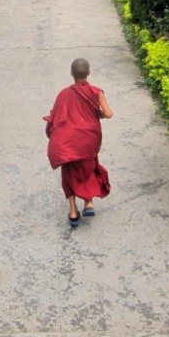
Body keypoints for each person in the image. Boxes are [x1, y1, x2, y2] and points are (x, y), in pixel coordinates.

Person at [44, 58, 113, 227]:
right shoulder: (96, 91)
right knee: (88, 167)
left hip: (68, 141)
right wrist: (100, 114)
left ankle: (73, 211)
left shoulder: (63, 94)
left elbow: (55, 118)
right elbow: (109, 113)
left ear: (71, 74)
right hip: (89, 139)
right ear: (89, 73)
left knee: (69, 173)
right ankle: (88, 203)